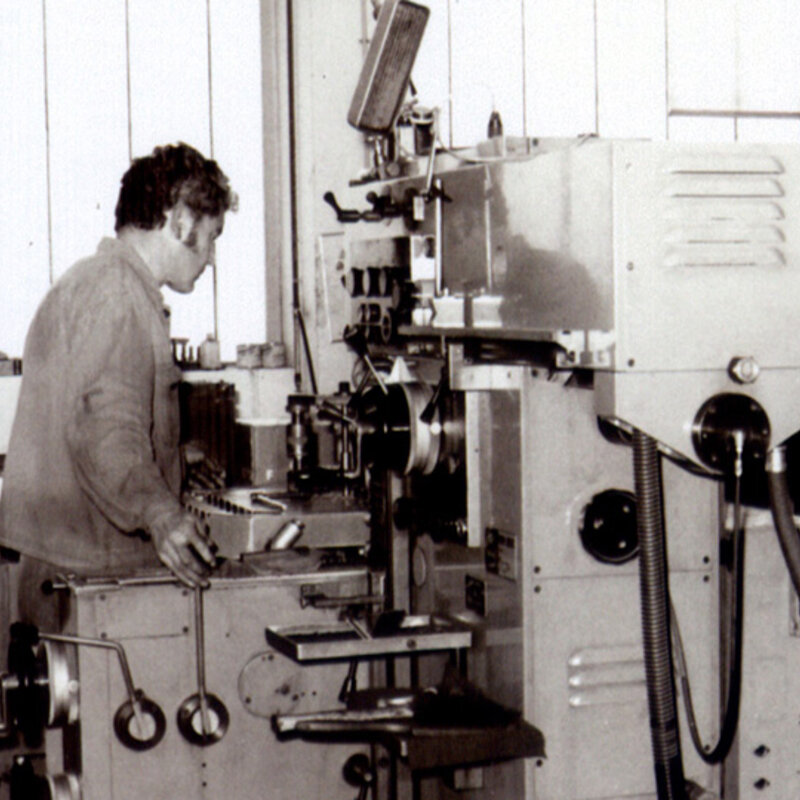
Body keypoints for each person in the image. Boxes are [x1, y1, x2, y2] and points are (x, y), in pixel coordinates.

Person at [0, 142, 235, 627]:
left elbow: (87, 413)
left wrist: (172, 454)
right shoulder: (120, 297)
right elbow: (105, 431)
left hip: (56, 563)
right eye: (211, 237)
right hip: (88, 578)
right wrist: (162, 514)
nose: (210, 258)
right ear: (180, 221)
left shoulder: (89, 281)